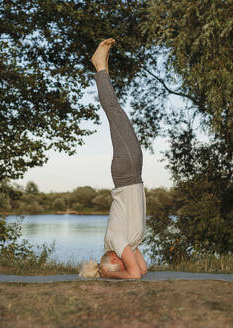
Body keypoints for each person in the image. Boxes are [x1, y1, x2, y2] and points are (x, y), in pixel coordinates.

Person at [79, 38, 147, 279]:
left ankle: (100, 67)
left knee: (114, 111)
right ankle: (102, 65)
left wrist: (110, 275)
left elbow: (135, 275)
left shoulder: (116, 241)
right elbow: (142, 270)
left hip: (126, 172)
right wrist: (115, 273)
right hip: (132, 173)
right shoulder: (130, 242)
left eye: (120, 264)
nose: (125, 261)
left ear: (115, 259)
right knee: (116, 113)